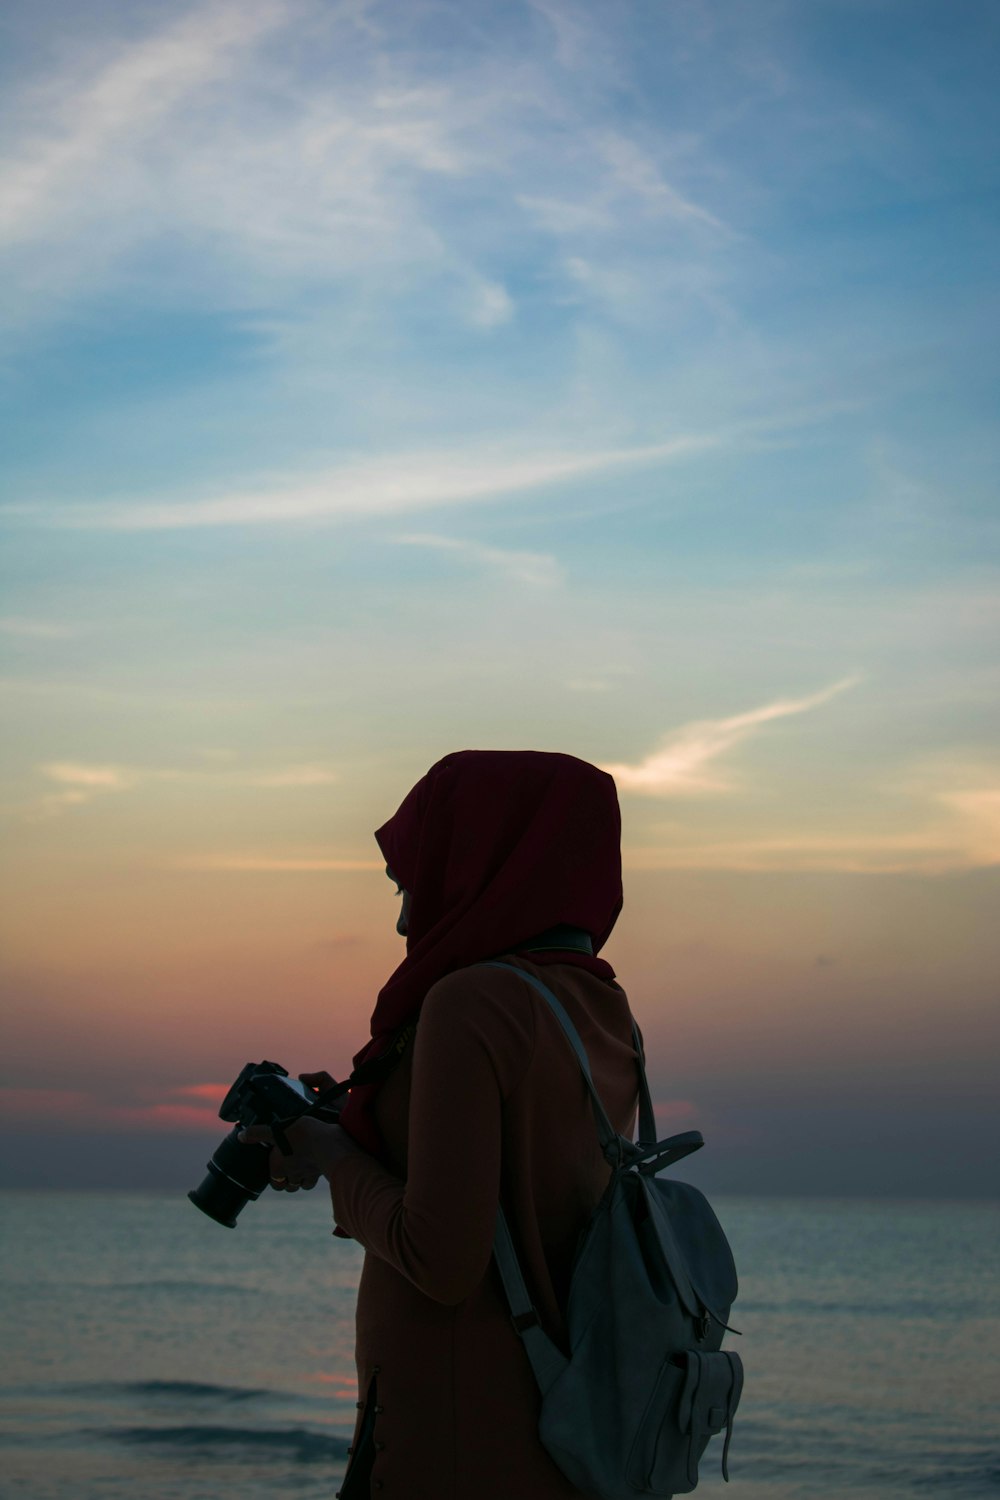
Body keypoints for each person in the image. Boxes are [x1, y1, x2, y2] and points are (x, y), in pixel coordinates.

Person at [239, 749, 643, 1499]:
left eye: (410, 885)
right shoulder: (597, 1010)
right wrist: (363, 1129)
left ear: (479, 866)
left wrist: (328, 1150)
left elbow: (441, 1260)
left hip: (453, 1447)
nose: (401, 918)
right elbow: (524, 1189)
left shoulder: (472, 1003)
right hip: (559, 1446)